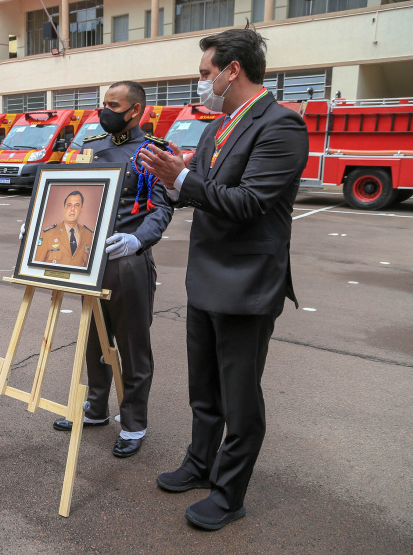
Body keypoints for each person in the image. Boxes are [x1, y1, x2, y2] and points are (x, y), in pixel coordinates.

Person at [138, 27, 308, 530]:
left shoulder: (280, 125)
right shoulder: (219, 126)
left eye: (205, 73)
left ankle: (229, 492)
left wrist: (183, 180)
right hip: (206, 279)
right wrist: (171, 186)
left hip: (246, 284)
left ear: (232, 70)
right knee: (204, 389)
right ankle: (199, 461)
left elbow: (252, 204)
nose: (200, 83)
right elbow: (203, 190)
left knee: (240, 397)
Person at [50, 81, 173, 461]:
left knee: (133, 345)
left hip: (128, 259)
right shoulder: (91, 149)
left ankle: (134, 422)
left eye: (113, 105)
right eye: (103, 104)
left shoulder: (154, 152)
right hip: (88, 258)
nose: (105, 111)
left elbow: (161, 208)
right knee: (92, 339)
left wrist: (139, 241)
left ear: (135, 110)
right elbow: (70, 195)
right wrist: (44, 223)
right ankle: (96, 407)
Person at [33, 190, 94, 267]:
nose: (72, 209)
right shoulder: (48, 234)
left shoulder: (89, 234)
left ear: (81, 209)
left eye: (77, 205)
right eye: (69, 205)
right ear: (64, 208)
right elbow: (36, 266)